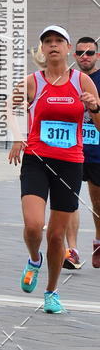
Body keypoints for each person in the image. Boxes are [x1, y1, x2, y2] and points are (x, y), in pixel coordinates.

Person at [8, 25, 100, 313]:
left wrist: (95, 108)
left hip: (70, 164)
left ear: (68, 48)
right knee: (33, 225)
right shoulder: (31, 81)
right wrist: (18, 136)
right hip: (36, 160)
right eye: (47, 41)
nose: (53, 45)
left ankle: (51, 291)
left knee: (57, 236)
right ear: (42, 49)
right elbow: (10, 108)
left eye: (59, 40)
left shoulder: (82, 82)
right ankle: (34, 259)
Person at [63, 37, 100, 269]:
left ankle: (98, 242)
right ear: (74, 55)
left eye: (90, 52)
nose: (85, 56)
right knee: (68, 199)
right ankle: (72, 251)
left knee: (98, 202)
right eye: (80, 53)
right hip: (71, 149)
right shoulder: (67, 79)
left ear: (97, 56)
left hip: (97, 151)